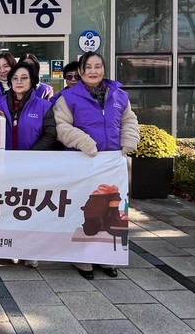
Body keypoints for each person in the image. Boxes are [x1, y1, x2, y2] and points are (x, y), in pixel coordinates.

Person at [53, 51, 139, 280]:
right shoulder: (68, 97)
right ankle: (81, 257)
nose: (93, 71)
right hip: (82, 161)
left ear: (104, 69)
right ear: (80, 71)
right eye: (88, 67)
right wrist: (85, 143)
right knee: (84, 208)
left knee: (112, 209)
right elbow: (61, 127)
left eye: (98, 66)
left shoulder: (119, 95)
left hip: (112, 163)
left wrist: (129, 141)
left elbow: (129, 120)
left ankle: (107, 255)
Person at [0, 61, 57, 269]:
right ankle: (13, 247)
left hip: (33, 167)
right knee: (10, 208)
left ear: (33, 81)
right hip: (7, 166)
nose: (19, 82)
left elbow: (50, 134)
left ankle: (32, 250)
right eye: (15, 78)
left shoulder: (43, 106)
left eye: (24, 78)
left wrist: (30, 156)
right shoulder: (0, 104)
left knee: (31, 209)